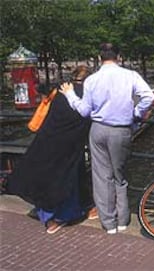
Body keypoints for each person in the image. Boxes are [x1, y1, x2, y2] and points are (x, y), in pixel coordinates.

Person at [60, 43, 154, 234]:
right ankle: (123, 219)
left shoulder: (92, 80)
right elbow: (149, 97)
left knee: (102, 177)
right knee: (119, 175)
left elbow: (85, 110)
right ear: (119, 56)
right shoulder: (131, 76)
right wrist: (135, 113)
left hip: (98, 129)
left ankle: (109, 223)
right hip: (122, 130)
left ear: (99, 57)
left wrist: (70, 95)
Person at [8, 65, 93, 234]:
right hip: (70, 144)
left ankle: (49, 215)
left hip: (48, 139)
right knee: (65, 178)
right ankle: (60, 217)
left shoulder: (59, 91)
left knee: (48, 176)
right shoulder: (86, 95)